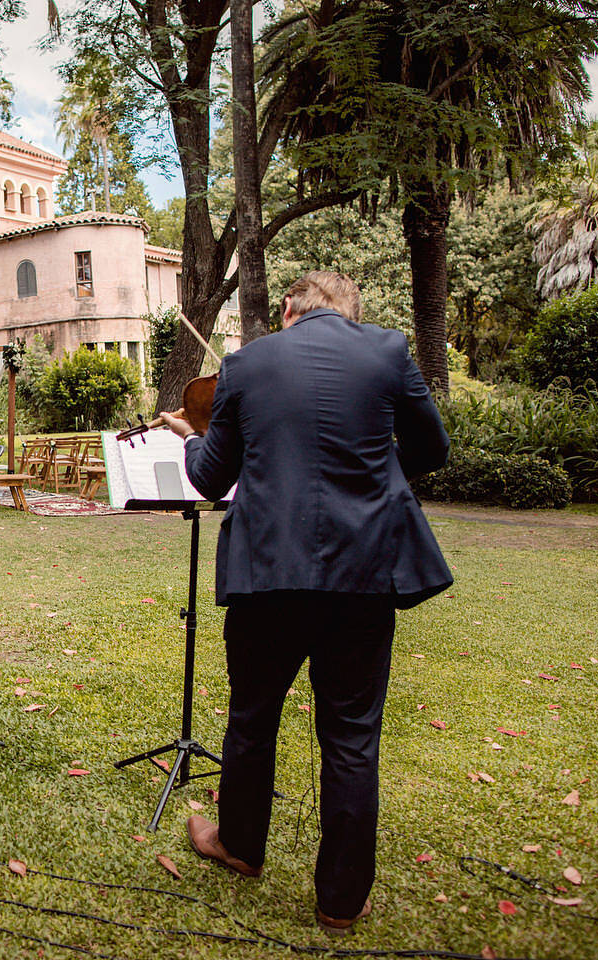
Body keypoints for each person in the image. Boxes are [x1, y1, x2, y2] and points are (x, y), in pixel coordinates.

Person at [158, 271, 452, 934]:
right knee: (351, 735)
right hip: (365, 571)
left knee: (253, 716)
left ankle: (240, 846)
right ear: (352, 314)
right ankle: (340, 901)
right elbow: (433, 448)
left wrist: (194, 435)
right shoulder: (387, 352)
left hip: (269, 571)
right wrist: (374, 481)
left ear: (288, 309)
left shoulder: (245, 362)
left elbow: (211, 476)